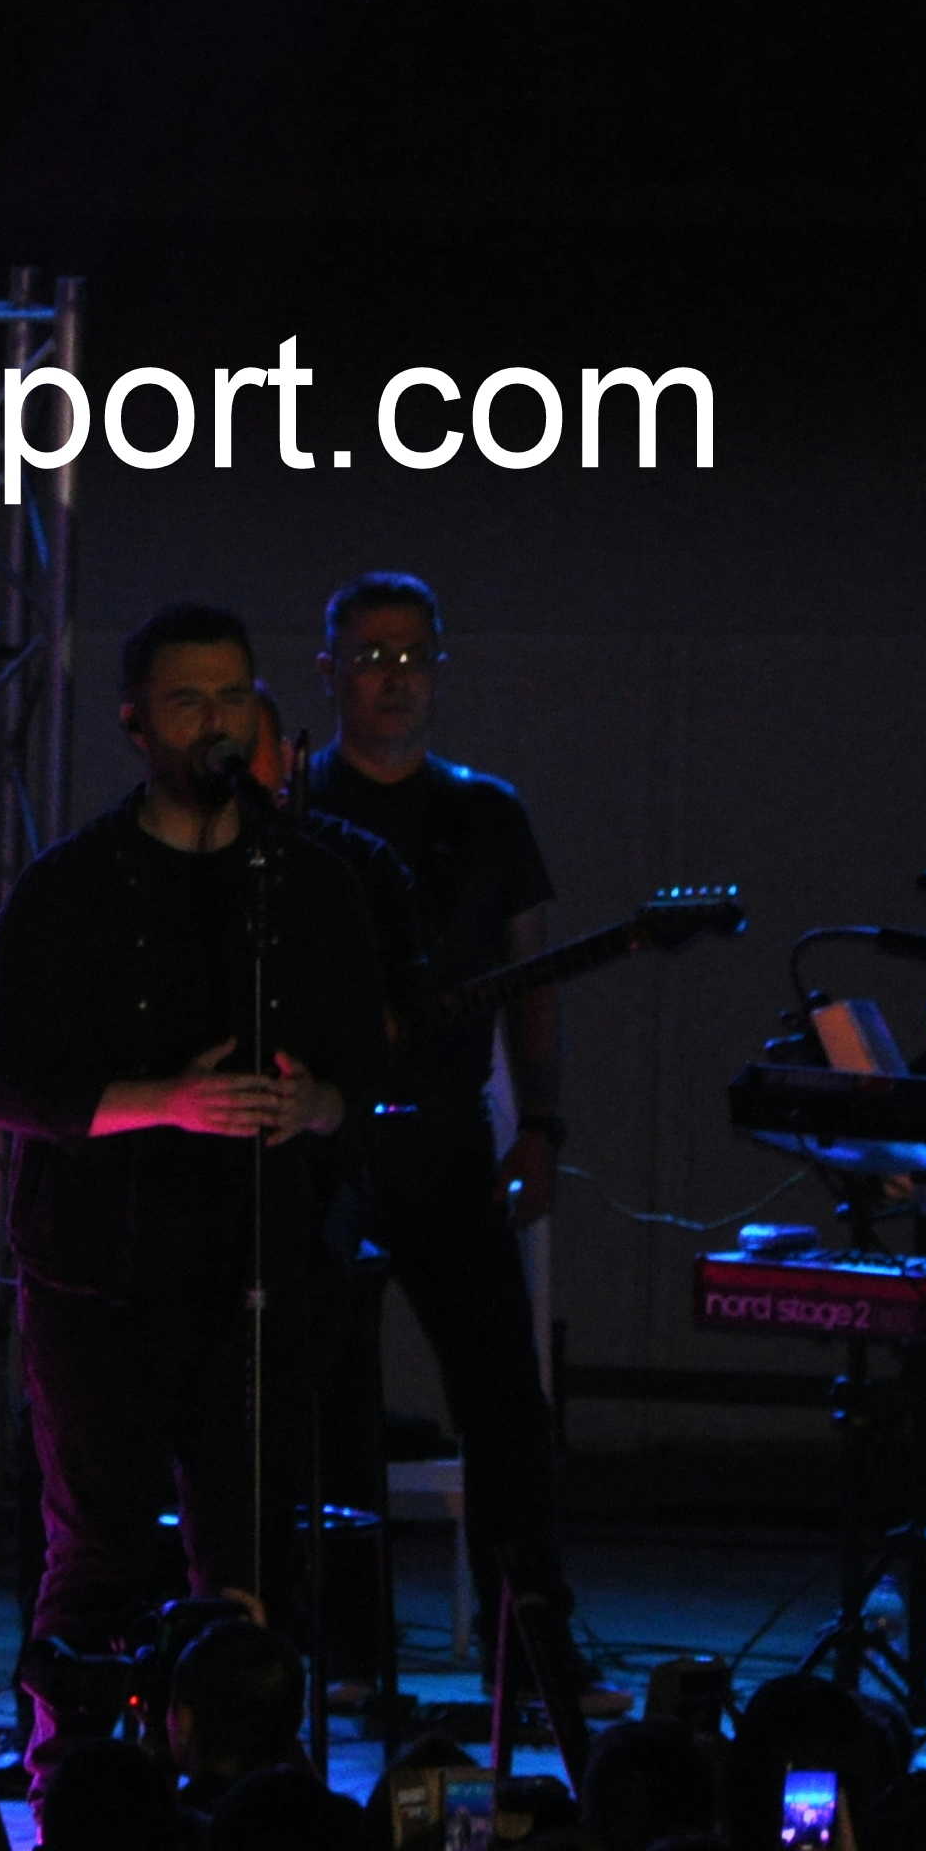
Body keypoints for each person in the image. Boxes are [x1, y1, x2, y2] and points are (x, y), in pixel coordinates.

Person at [0, 602, 395, 1770]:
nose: (214, 722)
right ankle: (72, 1779)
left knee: (251, 1545)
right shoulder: (70, 887)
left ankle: (240, 1783)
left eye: (231, 697)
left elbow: (370, 1071)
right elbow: (11, 1086)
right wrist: (167, 1099)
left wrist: (319, 1104)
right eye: (186, 701)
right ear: (136, 723)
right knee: (99, 1545)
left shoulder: (310, 883)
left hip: (258, 1263)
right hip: (98, 1266)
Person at [294, 571, 584, 1713]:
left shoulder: (486, 814)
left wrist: (542, 1123)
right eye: (372, 655)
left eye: (414, 656)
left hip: (451, 1134)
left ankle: (535, 1647)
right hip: (327, 1144)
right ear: (329, 669)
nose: (395, 678)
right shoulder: (297, 807)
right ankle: (347, 1653)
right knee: (330, 1398)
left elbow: (534, 984)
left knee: (504, 1393)